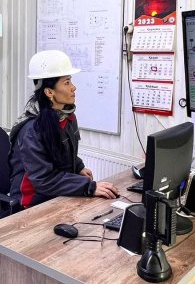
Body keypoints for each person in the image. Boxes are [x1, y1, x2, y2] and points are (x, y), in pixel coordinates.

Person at [8, 50, 119, 209]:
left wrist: (78, 167)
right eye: (67, 83)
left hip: (56, 194)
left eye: (70, 81)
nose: (74, 87)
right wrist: (88, 187)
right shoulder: (31, 130)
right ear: (49, 92)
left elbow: (62, 153)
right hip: (32, 202)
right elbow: (43, 180)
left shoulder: (66, 116)